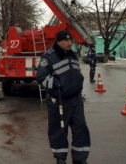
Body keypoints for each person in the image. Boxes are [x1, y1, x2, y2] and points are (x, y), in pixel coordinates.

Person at [36, 30, 90, 164]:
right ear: (58, 42)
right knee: (59, 131)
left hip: (76, 100)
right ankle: (60, 158)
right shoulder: (49, 56)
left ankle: (80, 159)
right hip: (59, 100)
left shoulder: (73, 55)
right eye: (65, 41)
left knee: (81, 128)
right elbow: (41, 77)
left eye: (70, 40)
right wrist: (57, 85)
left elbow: (78, 73)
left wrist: (79, 83)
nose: (69, 43)